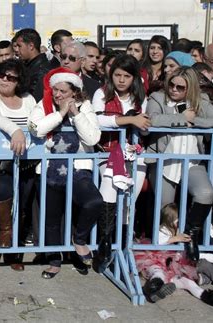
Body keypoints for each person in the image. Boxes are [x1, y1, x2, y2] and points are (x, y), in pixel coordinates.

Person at [28, 67, 103, 278]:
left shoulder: (85, 106)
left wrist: (75, 114)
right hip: (49, 168)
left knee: (93, 202)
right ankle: (54, 261)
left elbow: (92, 139)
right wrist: (59, 114)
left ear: (75, 92)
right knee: (51, 218)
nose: (58, 95)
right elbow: (36, 129)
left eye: (63, 91)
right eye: (56, 90)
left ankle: (78, 241)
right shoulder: (42, 106)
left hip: (78, 168)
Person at [146, 67, 213, 262]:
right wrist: (181, 119)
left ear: (190, 89)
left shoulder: (200, 100)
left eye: (180, 87)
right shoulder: (157, 98)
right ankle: (161, 254)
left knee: (206, 193)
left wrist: (195, 121)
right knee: (165, 208)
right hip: (163, 160)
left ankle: (190, 237)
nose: (174, 90)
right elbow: (152, 120)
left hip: (192, 160)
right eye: (172, 84)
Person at [92, 54, 149, 272]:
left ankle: (123, 247)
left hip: (135, 153)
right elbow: (97, 119)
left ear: (133, 77)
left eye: (126, 76)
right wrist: (129, 120)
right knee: (109, 189)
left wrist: (138, 121)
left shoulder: (140, 96)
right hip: (108, 153)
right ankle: (105, 243)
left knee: (128, 202)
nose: (121, 80)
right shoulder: (101, 93)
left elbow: (146, 121)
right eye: (117, 75)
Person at [0, 59, 35, 270]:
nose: (5, 79)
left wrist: (27, 132)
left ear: (19, 81)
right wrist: (16, 130)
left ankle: (14, 250)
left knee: (22, 205)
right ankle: (4, 233)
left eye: (11, 77)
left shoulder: (28, 98)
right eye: (2, 75)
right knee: (1, 193)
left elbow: (35, 123)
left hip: (27, 161)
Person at [135, 203, 213, 307]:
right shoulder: (163, 230)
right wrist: (174, 238)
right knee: (158, 273)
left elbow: (198, 253)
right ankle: (153, 289)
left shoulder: (185, 232)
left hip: (176, 268)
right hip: (157, 261)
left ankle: (209, 297)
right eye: (178, 221)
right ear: (170, 222)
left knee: (189, 283)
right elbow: (157, 241)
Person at [14, 28, 52, 102]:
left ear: (31, 46)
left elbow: (34, 99)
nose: (17, 50)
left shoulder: (42, 70)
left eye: (19, 46)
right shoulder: (28, 66)